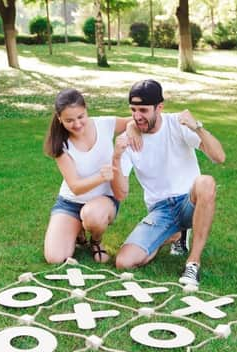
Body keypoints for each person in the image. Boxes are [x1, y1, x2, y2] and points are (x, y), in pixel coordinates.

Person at [111, 79, 226, 287]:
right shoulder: (128, 138)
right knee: (124, 261)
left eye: (143, 110)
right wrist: (117, 157)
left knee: (206, 182)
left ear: (160, 107)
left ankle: (193, 263)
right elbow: (120, 194)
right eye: (133, 110)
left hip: (189, 201)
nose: (137, 117)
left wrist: (197, 127)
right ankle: (175, 236)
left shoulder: (177, 124)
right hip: (160, 210)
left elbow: (219, 157)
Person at [43, 88, 139, 264]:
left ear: (86, 110)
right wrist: (101, 177)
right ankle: (77, 230)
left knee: (92, 215)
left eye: (81, 117)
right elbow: (75, 187)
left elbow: (134, 120)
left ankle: (95, 241)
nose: (77, 124)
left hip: (103, 200)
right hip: (71, 202)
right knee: (55, 258)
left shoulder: (104, 124)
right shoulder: (60, 145)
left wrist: (131, 127)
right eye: (69, 120)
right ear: (59, 119)